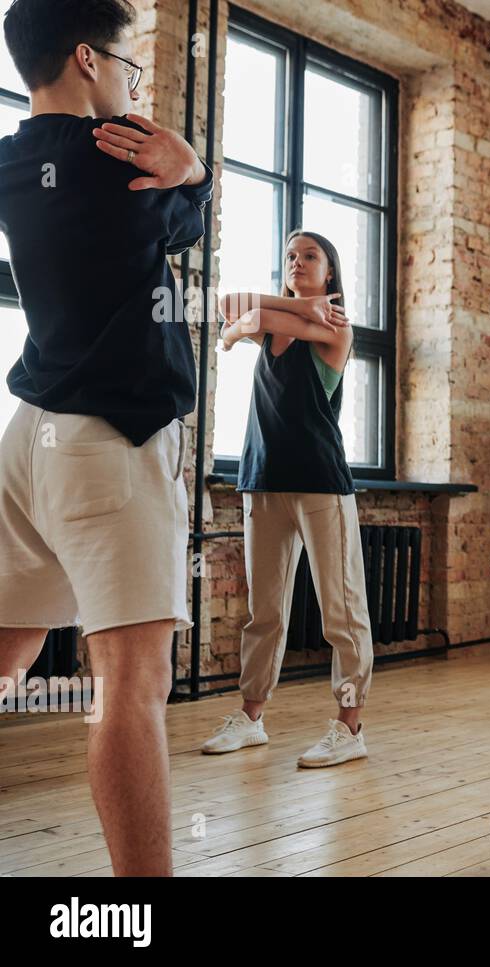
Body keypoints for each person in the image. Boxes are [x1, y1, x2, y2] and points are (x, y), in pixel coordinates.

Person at [0, 0, 214, 875]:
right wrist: (193, 171)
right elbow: (190, 222)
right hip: (109, 444)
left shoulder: (11, 159)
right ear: (87, 59)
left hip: (27, 442)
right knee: (132, 680)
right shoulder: (116, 156)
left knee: (6, 647)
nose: (133, 87)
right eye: (128, 66)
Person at [201, 230, 374, 768]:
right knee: (264, 613)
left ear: (331, 273)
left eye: (311, 257)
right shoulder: (295, 318)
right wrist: (260, 317)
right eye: (291, 257)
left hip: (321, 483)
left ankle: (349, 729)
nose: (298, 262)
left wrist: (251, 325)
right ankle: (251, 719)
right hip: (263, 480)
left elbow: (246, 319)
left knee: (341, 615)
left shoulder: (333, 327)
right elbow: (229, 307)